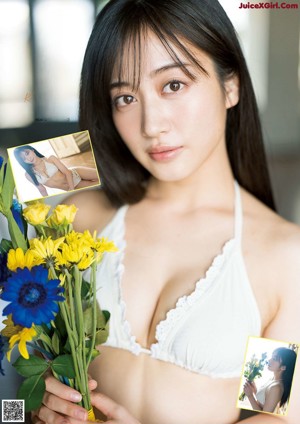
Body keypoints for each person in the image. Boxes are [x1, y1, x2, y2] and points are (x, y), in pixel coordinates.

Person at [32, 0, 300, 423]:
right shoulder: (80, 217)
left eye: (173, 85)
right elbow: (25, 383)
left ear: (231, 85)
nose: (151, 124)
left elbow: (269, 414)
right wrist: (35, 414)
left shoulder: (281, 255)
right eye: (125, 97)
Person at [13, 145, 99, 197]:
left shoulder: (51, 159)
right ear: (23, 162)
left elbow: (67, 172)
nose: (28, 158)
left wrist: (72, 191)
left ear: (32, 150)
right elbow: (42, 190)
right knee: (99, 186)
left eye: (27, 153)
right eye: (24, 159)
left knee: (104, 176)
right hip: (74, 186)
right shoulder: (29, 175)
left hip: (76, 174)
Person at [243, 348, 297, 414]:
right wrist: (254, 390)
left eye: (274, 359)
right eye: (271, 357)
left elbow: (264, 416)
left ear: (283, 367)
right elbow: (264, 401)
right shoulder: (273, 379)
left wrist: (250, 396)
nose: (269, 360)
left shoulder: (276, 388)